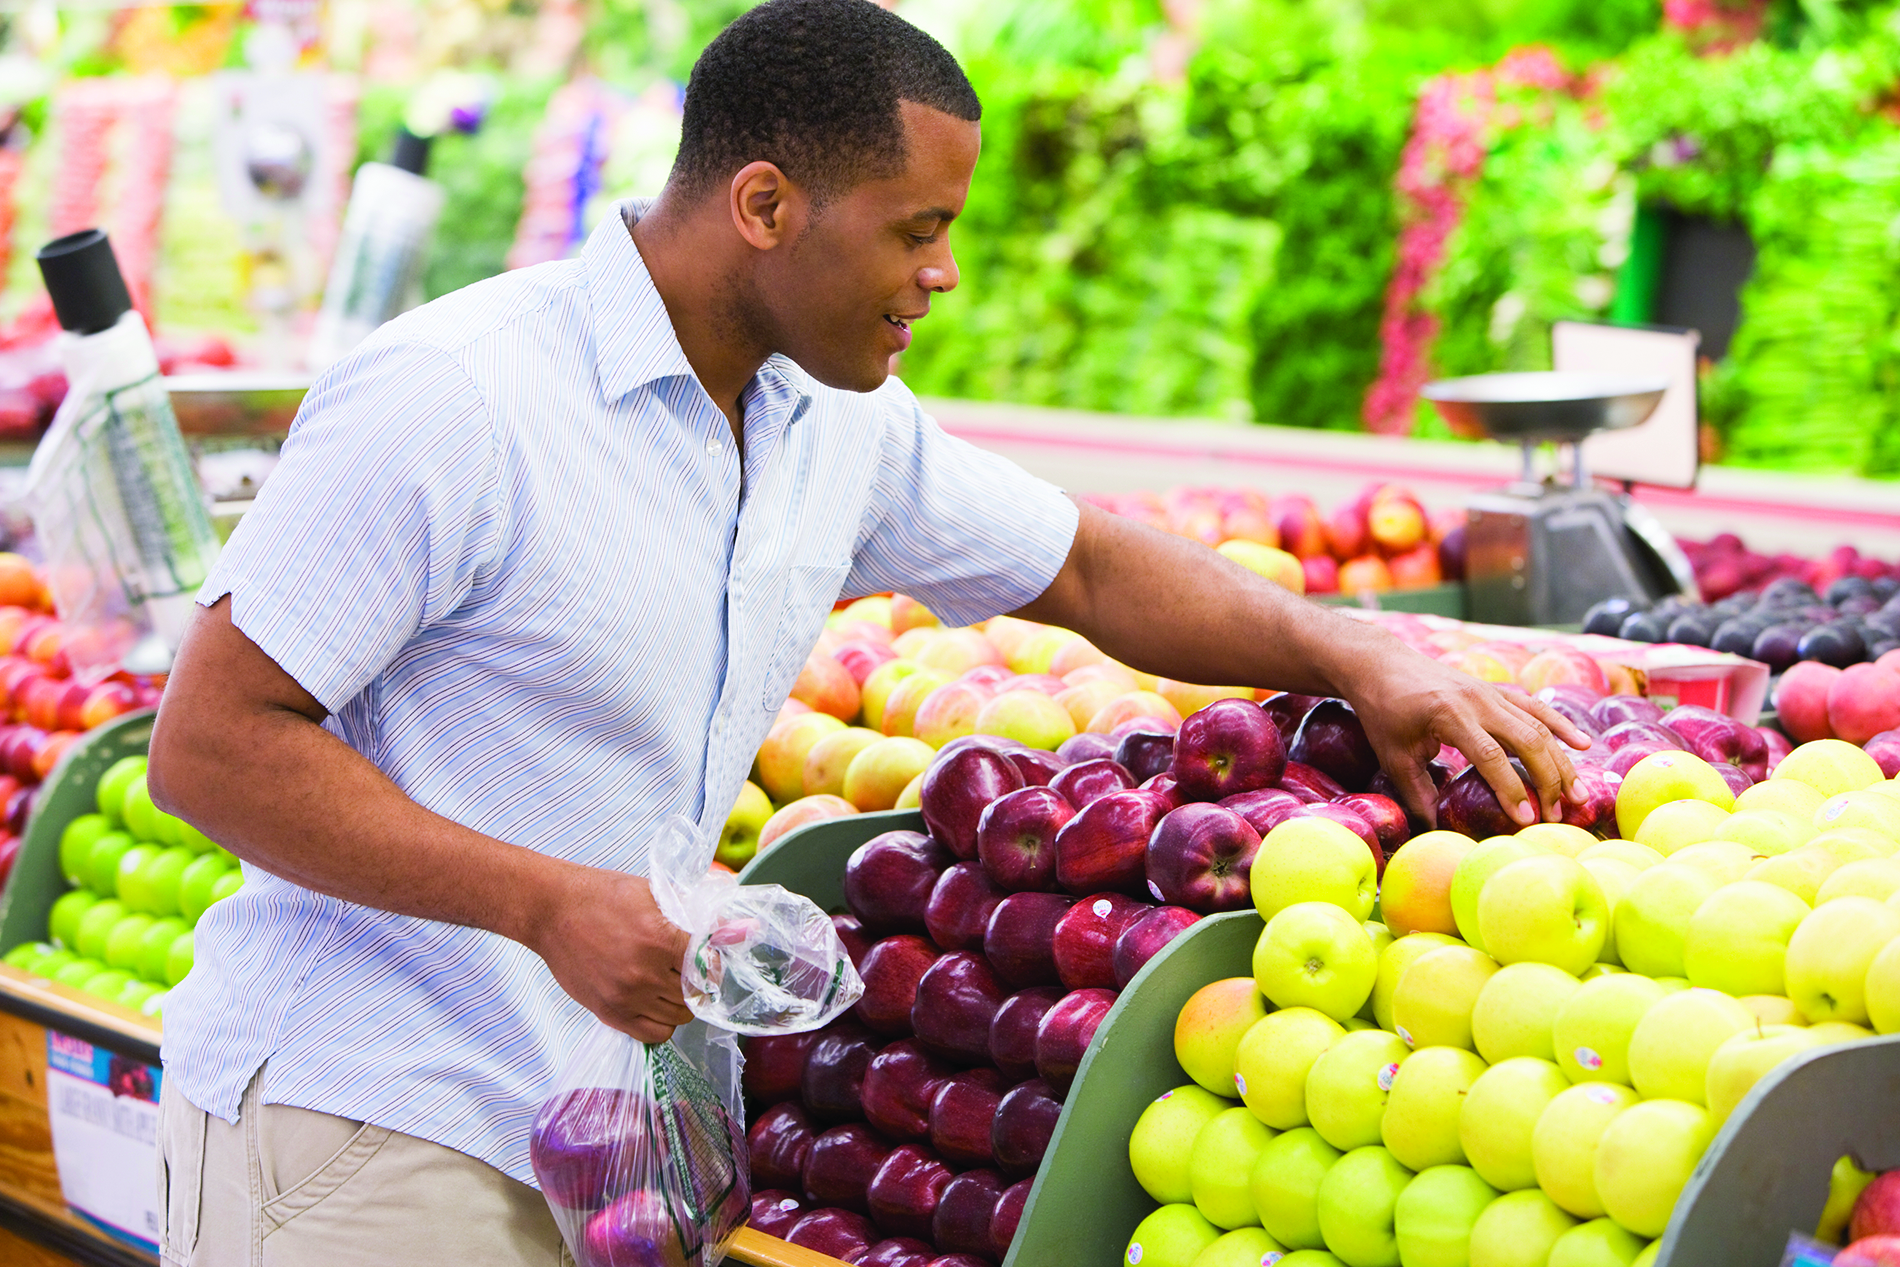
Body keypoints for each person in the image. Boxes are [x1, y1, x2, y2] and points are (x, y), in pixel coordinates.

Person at [147, 1, 1586, 1262]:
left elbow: (1082, 569)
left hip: (592, 1144)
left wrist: (1351, 648)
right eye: (919, 228)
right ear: (766, 206)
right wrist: (543, 901)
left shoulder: (831, 420)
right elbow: (208, 747)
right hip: (365, 1129)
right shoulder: (457, 395)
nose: (943, 274)